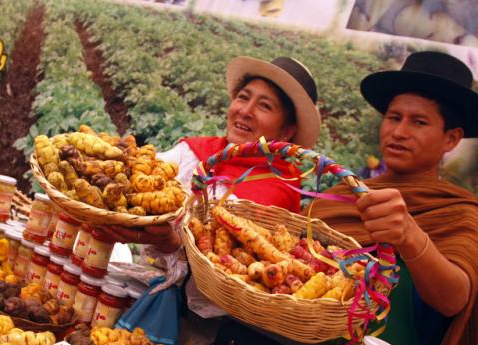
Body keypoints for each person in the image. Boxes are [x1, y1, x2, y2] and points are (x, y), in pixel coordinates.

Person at [311, 51, 478, 345]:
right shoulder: (345, 194)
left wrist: (411, 236)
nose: (398, 131)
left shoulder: (462, 214)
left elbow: (454, 299)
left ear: (451, 139)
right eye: (393, 117)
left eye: (419, 122)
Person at [102, 55, 321, 251]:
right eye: (243, 97)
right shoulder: (197, 151)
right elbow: (141, 168)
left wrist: (173, 243)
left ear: (287, 131)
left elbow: (232, 269)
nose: (245, 111)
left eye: (264, 106)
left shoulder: (276, 194)